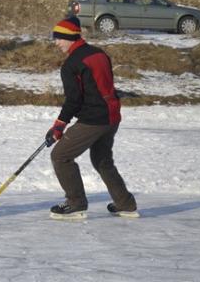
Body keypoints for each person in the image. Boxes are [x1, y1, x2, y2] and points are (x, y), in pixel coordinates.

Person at [45, 16, 138, 220]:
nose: (56, 42)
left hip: (94, 119)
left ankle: (75, 203)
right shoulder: (99, 53)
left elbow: (74, 100)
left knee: (61, 156)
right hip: (112, 117)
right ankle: (125, 204)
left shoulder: (71, 64)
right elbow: (102, 85)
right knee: (102, 160)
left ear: (70, 37)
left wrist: (59, 126)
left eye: (59, 38)